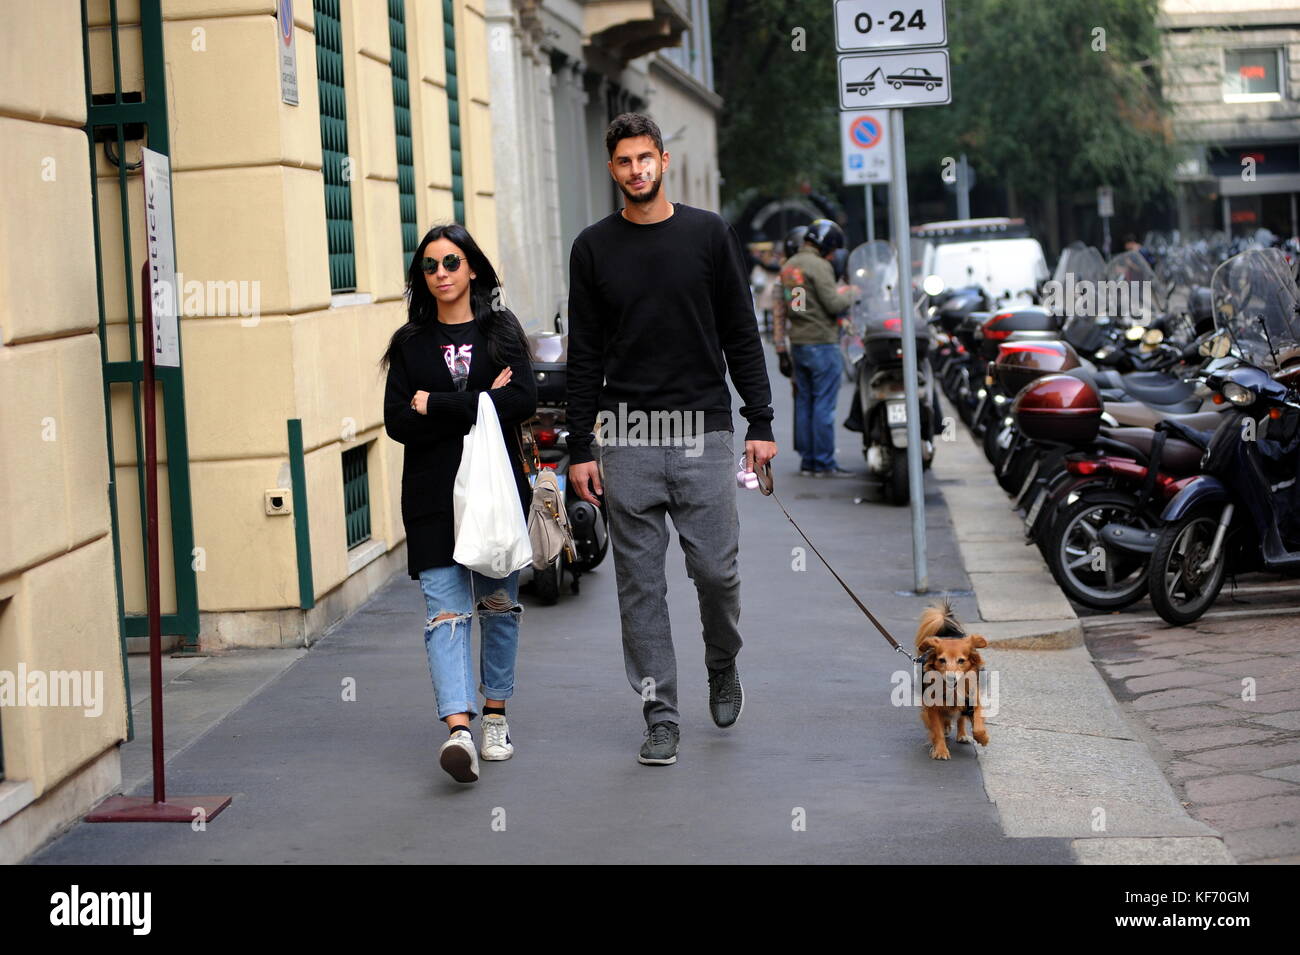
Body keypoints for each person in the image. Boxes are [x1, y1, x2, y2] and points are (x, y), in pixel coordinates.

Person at [565, 112, 777, 766]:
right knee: (640, 588)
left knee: (716, 571)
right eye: (624, 161)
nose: (636, 170)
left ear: (661, 159)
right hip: (626, 435)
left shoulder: (709, 235)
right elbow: (584, 355)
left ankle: (722, 658)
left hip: (704, 430)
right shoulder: (592, 248)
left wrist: (761, 422)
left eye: (645, 158)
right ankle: (660, 714)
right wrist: (578, 447)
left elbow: (741, 332)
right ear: (613, 169)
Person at [380, 223, 537, 784]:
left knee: (497, 608)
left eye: (451, 262)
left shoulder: (501, 331)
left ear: (472, 267)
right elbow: (398, 420)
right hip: (429, 497)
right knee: (445, 615)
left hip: (495, 494)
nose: (441, 274)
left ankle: (495, 714)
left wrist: (438, 404)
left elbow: (523, 398)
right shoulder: (409, 343)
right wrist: (478, 402)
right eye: (430, 266)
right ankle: (459, 730)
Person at [780, 219, 858, 476]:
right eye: (833, 249)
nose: (834, 255)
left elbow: (796, 305)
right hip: (822, 343)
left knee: (805, 403)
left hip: (800, 343)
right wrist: (852, 292)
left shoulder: (789, 266)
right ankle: (824, 462)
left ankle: (808, 461)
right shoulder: (819, 265)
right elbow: (834, 304)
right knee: (824, 405)